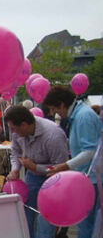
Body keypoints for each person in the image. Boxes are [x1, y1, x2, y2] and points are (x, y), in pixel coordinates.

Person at [43, 86, 102, 238]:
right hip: (87, 177)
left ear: (62, 104)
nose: (56, 113)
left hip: (92, 179)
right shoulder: (80, 115)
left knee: (86, 223)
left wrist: (65, 166)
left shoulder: (83, 117)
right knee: (86, 223)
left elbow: (89, 152)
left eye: (55, 109)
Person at [4, 106, 69, 238]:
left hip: (53, 180)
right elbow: (15, 151)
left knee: (45, 219)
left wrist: (36, 167)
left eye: (14, 128)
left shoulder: (53, 135)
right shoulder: (17, 132)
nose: (13, 132)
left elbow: (61, 167)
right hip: (33, 176)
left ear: (24, 125)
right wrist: (16, 169)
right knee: (26, 212)